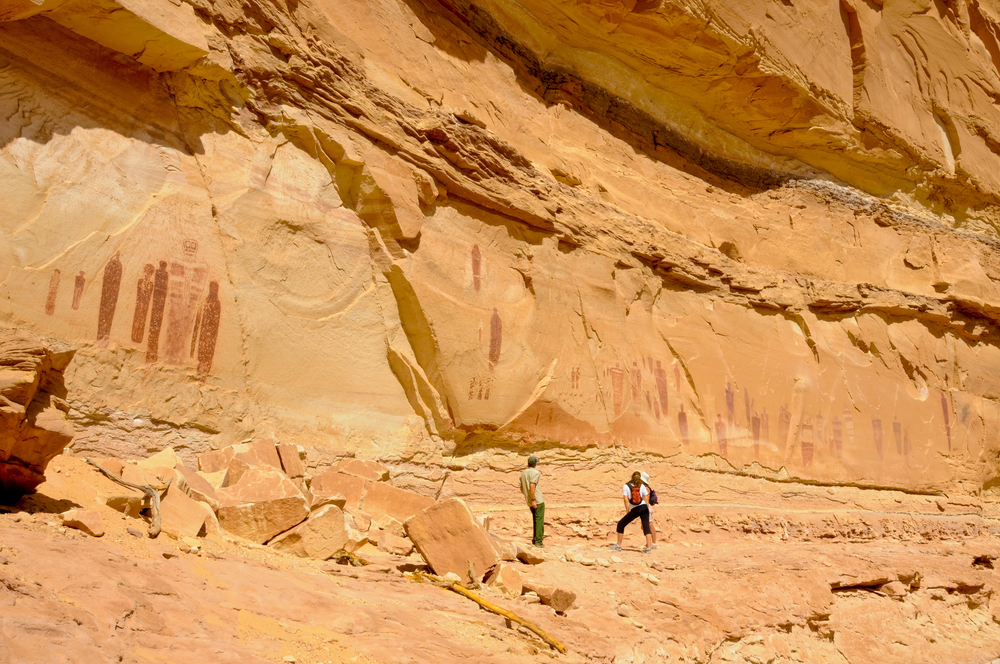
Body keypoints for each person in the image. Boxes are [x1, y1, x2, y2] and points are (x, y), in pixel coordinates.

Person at [609, 471, 653, 553]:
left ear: (631, 477)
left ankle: (618, 546)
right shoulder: (642, 486)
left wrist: (627, 510)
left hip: (636, 509)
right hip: (644, 507)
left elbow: (626, 499)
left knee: (621, 524)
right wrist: (647, 508)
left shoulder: (626, 486)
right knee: (646, 526)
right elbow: (645, 498)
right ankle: (648, 549)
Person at [519, 455, 544, 547]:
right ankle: (538, 541)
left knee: (535, 519)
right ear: (535, 464)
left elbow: (521, 488)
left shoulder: (523, 473)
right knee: (539, 520)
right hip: (537, 500)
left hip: (529, 500)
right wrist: (533, 499)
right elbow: (532, 486)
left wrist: (528, 497)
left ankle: (535, 539)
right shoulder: (536, 472)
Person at [641, 471, 658, 549]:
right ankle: (651, 543)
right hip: (646, 507)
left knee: (650, 525)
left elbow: (646, 499)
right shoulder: (645, 487)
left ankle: (653, 543)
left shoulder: (645, 488)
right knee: (646, 526)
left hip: (646, 507)